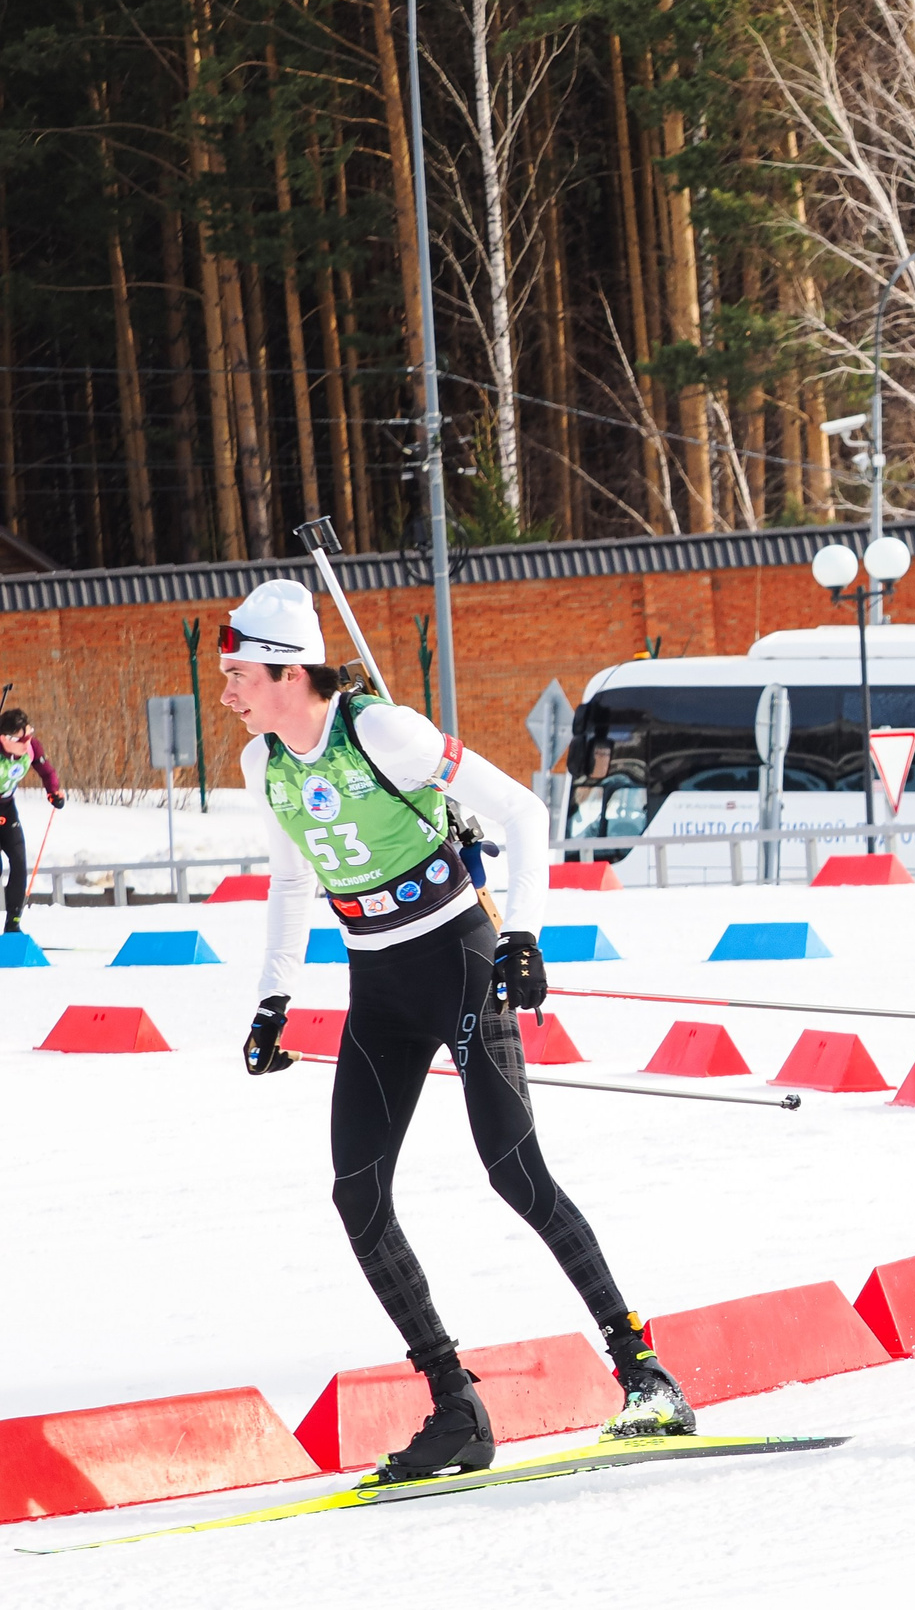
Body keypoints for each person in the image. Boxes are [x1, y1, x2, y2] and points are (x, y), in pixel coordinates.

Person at [217, 580, 692, 1481]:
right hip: (378, 985)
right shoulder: (261, 764)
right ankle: (456, 1405)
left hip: (460, 960)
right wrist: (272, 1000)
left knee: (514, 1169)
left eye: (239, 674)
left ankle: (645, 1373)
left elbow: (523, 811)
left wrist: (523, 938)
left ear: (289, 671)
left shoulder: (381, 731)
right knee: (357, 1197)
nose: (228, 691)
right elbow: (290, 880)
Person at [0, 706, 66, 935]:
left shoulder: (31, 747)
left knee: (19, 862)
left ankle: (13, 925)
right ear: (4, 739)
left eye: (28, 735)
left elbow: (47, 772)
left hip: (7, 808)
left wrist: (53, 792)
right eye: (21, 739)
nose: (27, 742)